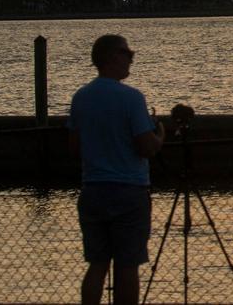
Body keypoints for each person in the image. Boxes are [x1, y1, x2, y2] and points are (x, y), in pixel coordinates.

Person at [67, 34, 165, 305]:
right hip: (128, 192)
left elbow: (74, 146)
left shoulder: (81, 97)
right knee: (127, 265)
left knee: (97, 264)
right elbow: (146, 147)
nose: (131, 58)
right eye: (127, 53)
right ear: (112, 57)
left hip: (93, 190)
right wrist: (161, 134)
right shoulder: (132, 98)